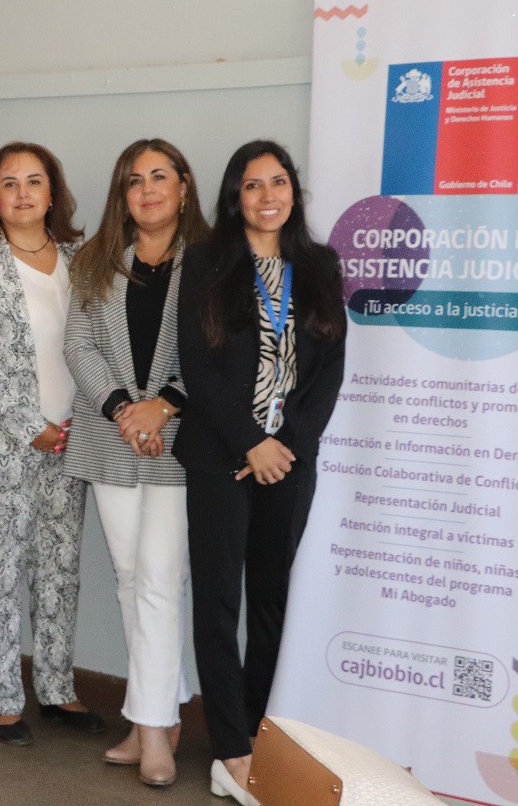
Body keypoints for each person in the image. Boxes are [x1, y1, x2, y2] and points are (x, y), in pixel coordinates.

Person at [174, 140, 346, 805]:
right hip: (221, 456)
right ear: (234, 196)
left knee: (273, 601)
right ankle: (230, 750)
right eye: (252, 185)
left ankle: (254, 728)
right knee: (219, 603)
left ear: (293, 192)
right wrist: (250, 443)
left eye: (278, 182)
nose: (267, 196)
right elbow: (198, 365)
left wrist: (285, 447)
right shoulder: (205, 263)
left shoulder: (320, 265)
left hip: (290, 461)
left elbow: (329, 369)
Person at [0, 142, 105, 748]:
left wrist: (75, 424)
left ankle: (57, 689)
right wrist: (27, 424)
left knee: (60, 571)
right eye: (8, 183)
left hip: (72, 438)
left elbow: (99, 343)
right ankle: (3, 699)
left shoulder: (80, 258)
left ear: (52, 192)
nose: (22, 193)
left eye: (34, 181)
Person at [63, 138, 210, 786]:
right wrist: (127, 410)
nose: (147, 189)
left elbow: (220, 348)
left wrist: (162, 407)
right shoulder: (97, 259)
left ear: (183, 186)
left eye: (159, 176)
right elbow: (79, 345)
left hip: (182, 439)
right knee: (132, 579)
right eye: (133, 180)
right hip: (111, 436)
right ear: (121, 195)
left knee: (158, 580)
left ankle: (152, 732)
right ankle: (159, 716)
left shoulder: (212, 261)